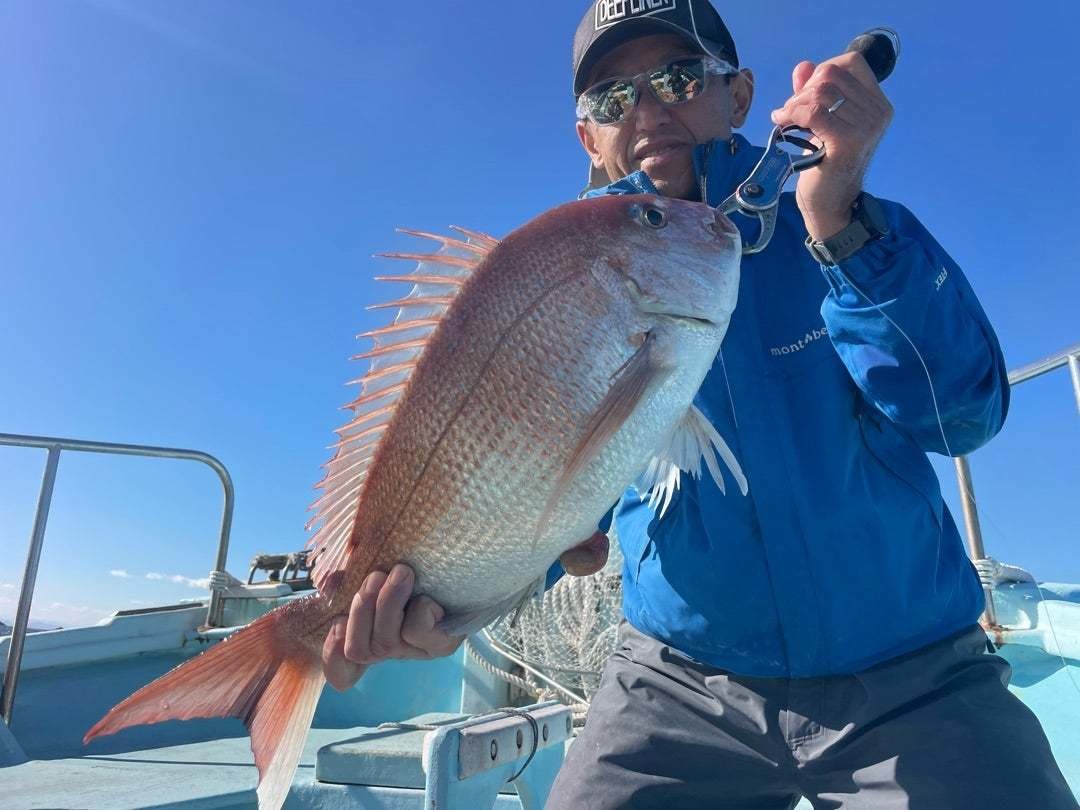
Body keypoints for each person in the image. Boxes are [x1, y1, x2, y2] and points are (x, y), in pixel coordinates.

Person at [323, 2, 1077, 808]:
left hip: (914, 672)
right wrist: (440, 605)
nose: (648, 112)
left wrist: (841, 229)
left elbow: (963, 415)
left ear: (740, 96)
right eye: (612, 98)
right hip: (674, 682)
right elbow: (542, 491)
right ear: (588, 137)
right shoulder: (562, 276)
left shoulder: (851, 221)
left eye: (680, 78)